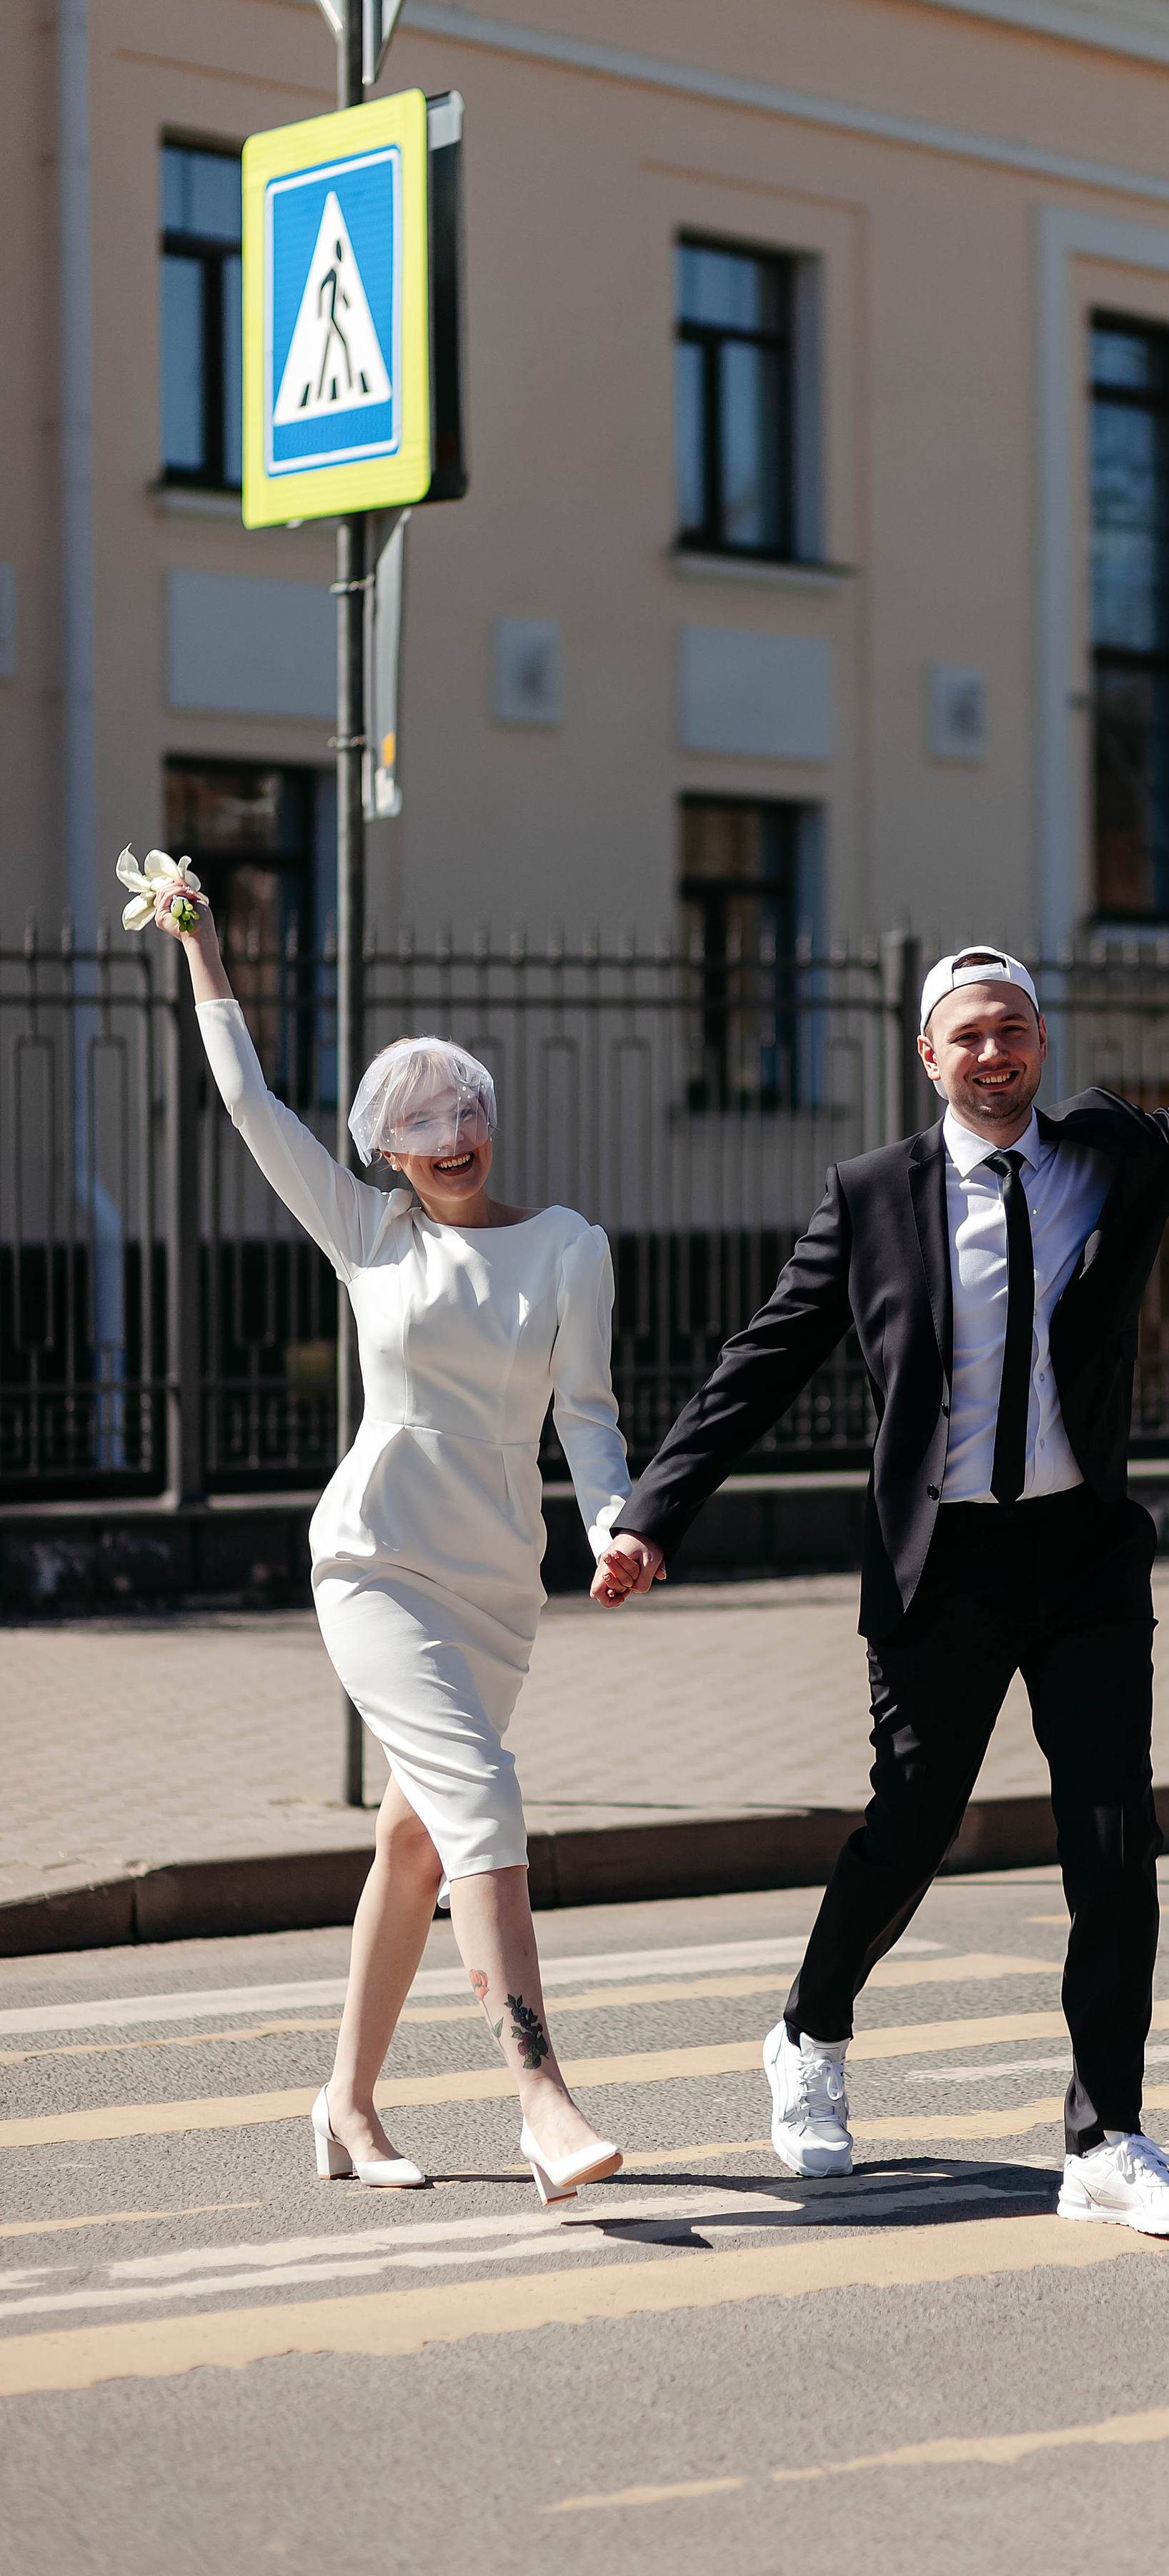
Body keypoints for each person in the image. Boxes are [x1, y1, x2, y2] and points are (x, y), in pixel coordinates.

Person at [598, 823, 1169, 2236]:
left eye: (1014, 1031)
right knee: (911, 1826)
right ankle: (808, 2032)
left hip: (1081, 1556)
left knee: (1113, 1839)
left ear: (1041, 1044)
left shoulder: (1110, 1154)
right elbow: (760, 1363)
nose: (995, 1055)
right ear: (928, 1058)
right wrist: (650, 1516)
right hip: (944, 1564)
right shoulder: (870, 1202)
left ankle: (1104, 2138)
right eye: (968, 1037)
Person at [154, 872, 632, 2206]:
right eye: (422, 1125)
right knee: (484, 1801)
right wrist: (204, 953)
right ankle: (542, 2096)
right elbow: (250, 1106)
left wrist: (613, 1525)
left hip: (496, 1585)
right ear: (389, 1152)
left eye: (465, 1110)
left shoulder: (569, 1251)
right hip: (373, 1560)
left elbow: (588, 1420)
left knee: (416, 1842)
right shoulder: (367, 1234)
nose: (454, 1137)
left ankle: (346, 2106)